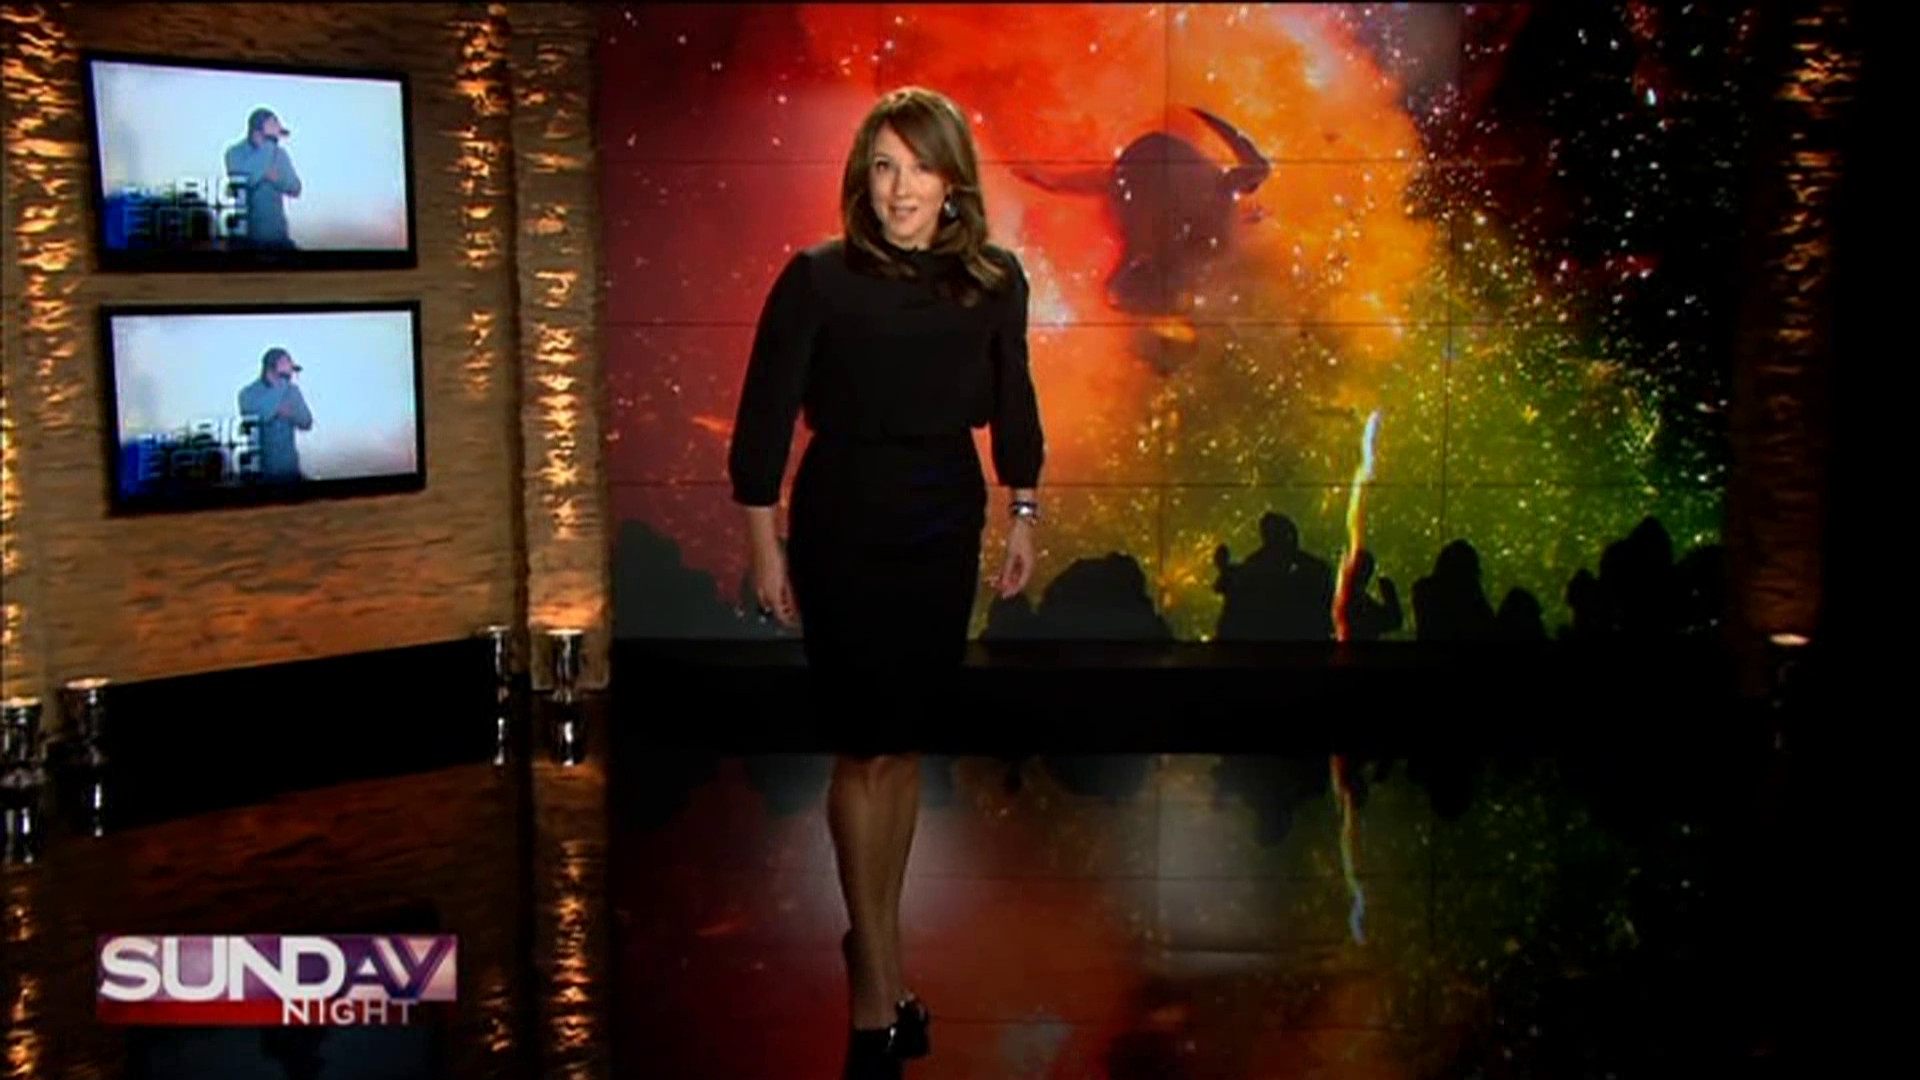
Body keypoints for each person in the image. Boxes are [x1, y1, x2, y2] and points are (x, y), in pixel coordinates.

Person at [726, 86, 1045, 1079]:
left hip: (944, 516)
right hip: (845, 518)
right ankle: (873, 976)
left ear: (954, 182)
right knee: (863, 745)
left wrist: (1023, 512)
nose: (901, 189)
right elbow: (763, 420)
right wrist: (765, 546)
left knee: (902, 748)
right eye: (883, 167)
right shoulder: (817, 279)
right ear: (862, 180)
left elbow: (1016, 402)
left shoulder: (995, 281)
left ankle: (880, 944)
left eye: (920, 167)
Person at [224, 107, 302, 249]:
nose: (277, 137)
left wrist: (277, 179)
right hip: (246, 239)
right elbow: (246, 180)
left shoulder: (279, 154)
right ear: (257, 130)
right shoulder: (235, 153)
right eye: (273, 129)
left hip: (277, 236)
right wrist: (268, 146)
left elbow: (295, 188)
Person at [238, 347, 313, 482]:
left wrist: (291, 414)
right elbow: (262, 414)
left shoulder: (292, 391)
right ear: (271, 368)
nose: (291, 374)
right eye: (285, 366)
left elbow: (307, 422)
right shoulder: (248, 394)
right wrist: (281, 386)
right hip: (262, 475)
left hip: (290, 471)